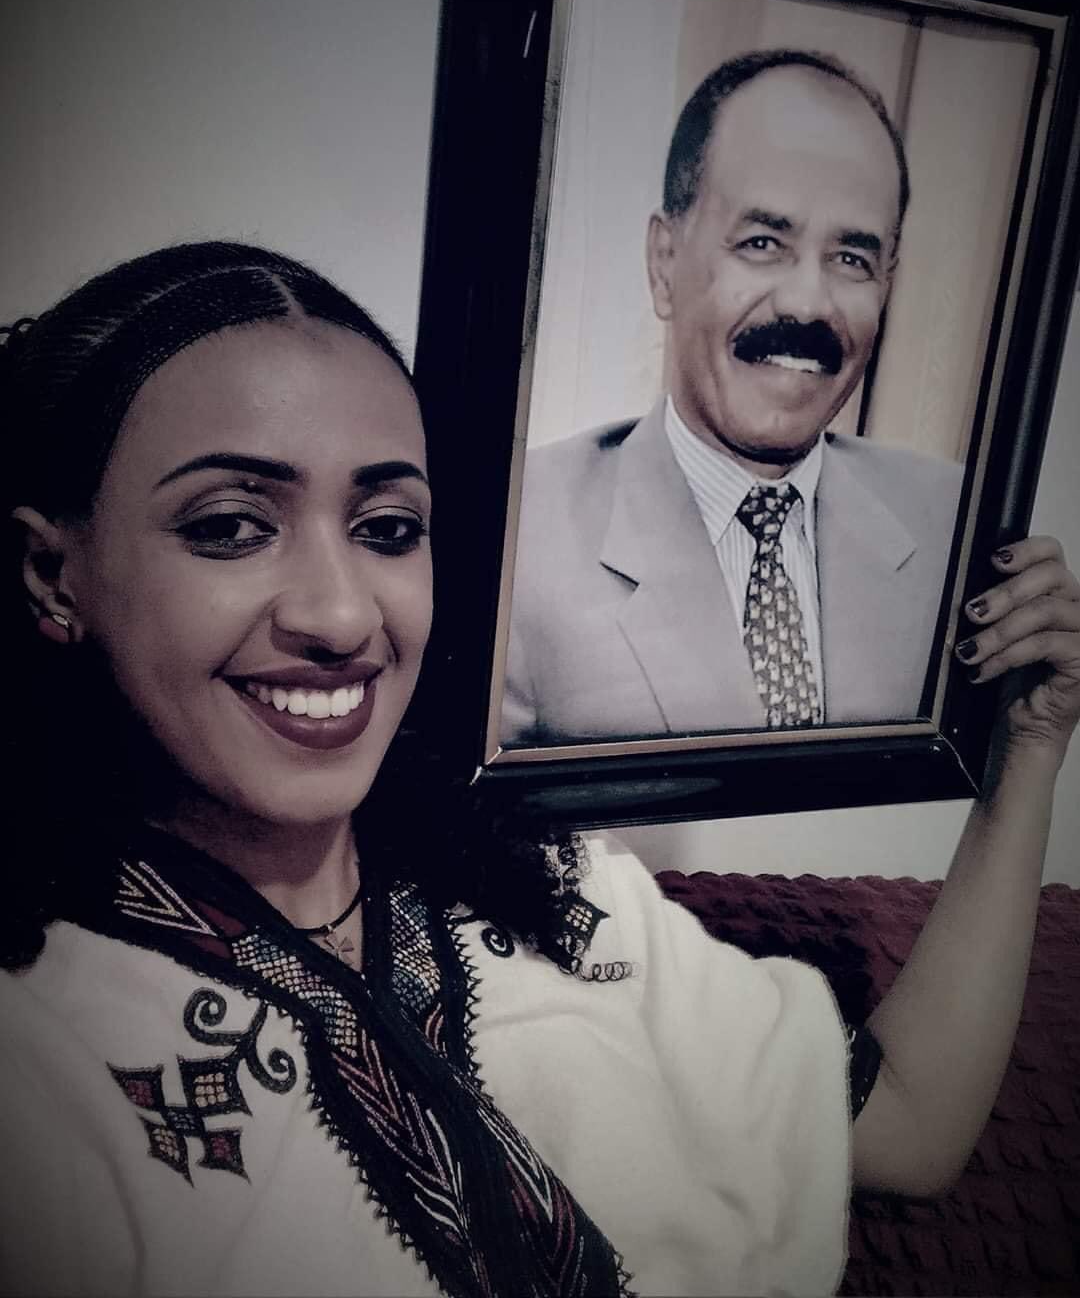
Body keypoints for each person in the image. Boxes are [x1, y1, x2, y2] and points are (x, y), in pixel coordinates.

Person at [1, 241, 1078, 1298]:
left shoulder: (555, 890)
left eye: (388, 528)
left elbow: (913, 1130)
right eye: (233, 527)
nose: (341, 615)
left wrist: (1031, 744)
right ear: (53, 573)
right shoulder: (38, 1051)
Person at [502, 49, 963, 747]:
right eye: (762, 242)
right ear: (665, 263)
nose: (808, 302)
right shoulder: (518, 539)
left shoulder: (958, 528)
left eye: (851, 259)